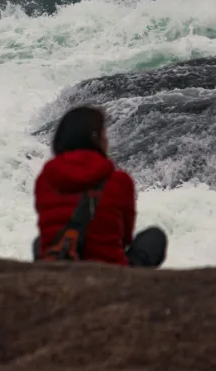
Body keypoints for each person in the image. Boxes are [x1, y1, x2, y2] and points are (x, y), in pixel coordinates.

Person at [32, 105, 167, 267]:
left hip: (59, 262)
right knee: (154, 237)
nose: (106, 139)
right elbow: (124, 239)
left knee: (40, 241)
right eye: (104, 133)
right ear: (95, 138)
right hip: (110, 269)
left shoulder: (45, 179)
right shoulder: (119, 181)